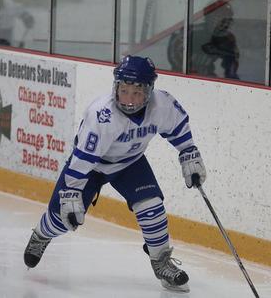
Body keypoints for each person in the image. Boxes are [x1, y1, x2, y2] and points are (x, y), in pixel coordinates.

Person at [23, 55, 206, 292]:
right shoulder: (102, 115)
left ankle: (161, 262)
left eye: (137, 93)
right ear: (115, 87)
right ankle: (41, 234)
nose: (129, 100)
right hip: (90, 168)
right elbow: (83, 159)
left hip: (130, 163)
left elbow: (179, 128)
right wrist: (71, 193)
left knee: (152, 207)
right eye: (124, 91)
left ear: (149, 91)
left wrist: (188, 153)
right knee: (62, 220)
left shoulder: (162, 105)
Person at [167, 0, 239, 79]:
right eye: (219, 18)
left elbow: (231, 64)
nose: (224, 24)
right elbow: (174, 53)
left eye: (227, 19)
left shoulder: (228, 39)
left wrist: (231, 76)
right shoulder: (191, 32)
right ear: (208, 17)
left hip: (207, 77)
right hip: (181, 79)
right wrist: (193, 74)